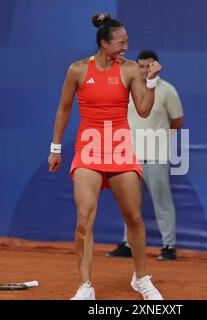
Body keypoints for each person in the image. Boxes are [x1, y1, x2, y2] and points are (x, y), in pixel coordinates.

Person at [47, 13, 163, 300]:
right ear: (103, 43)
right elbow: (63, 109)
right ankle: (86, 286)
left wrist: (150, 82)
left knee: (133, 218)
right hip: (88, 150)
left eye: (127, 42)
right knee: (84, 219)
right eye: (120, 43)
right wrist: (56, 148)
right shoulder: (77, 70)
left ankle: (141, 278)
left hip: (120, 149)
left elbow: (144, 110)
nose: (125, 47)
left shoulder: (130, 69)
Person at [106, 50, 184, 260]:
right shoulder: (127, 88)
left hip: (156, 157)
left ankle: (169, 247)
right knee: (129, 203)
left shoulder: (167, 91)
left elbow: (177, 120)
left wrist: (160, 139)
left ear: (156, 66)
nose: (143, 70)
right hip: (130, 157)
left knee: (162, 202)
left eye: (148, 66)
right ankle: (128, 244)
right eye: (140, 66)